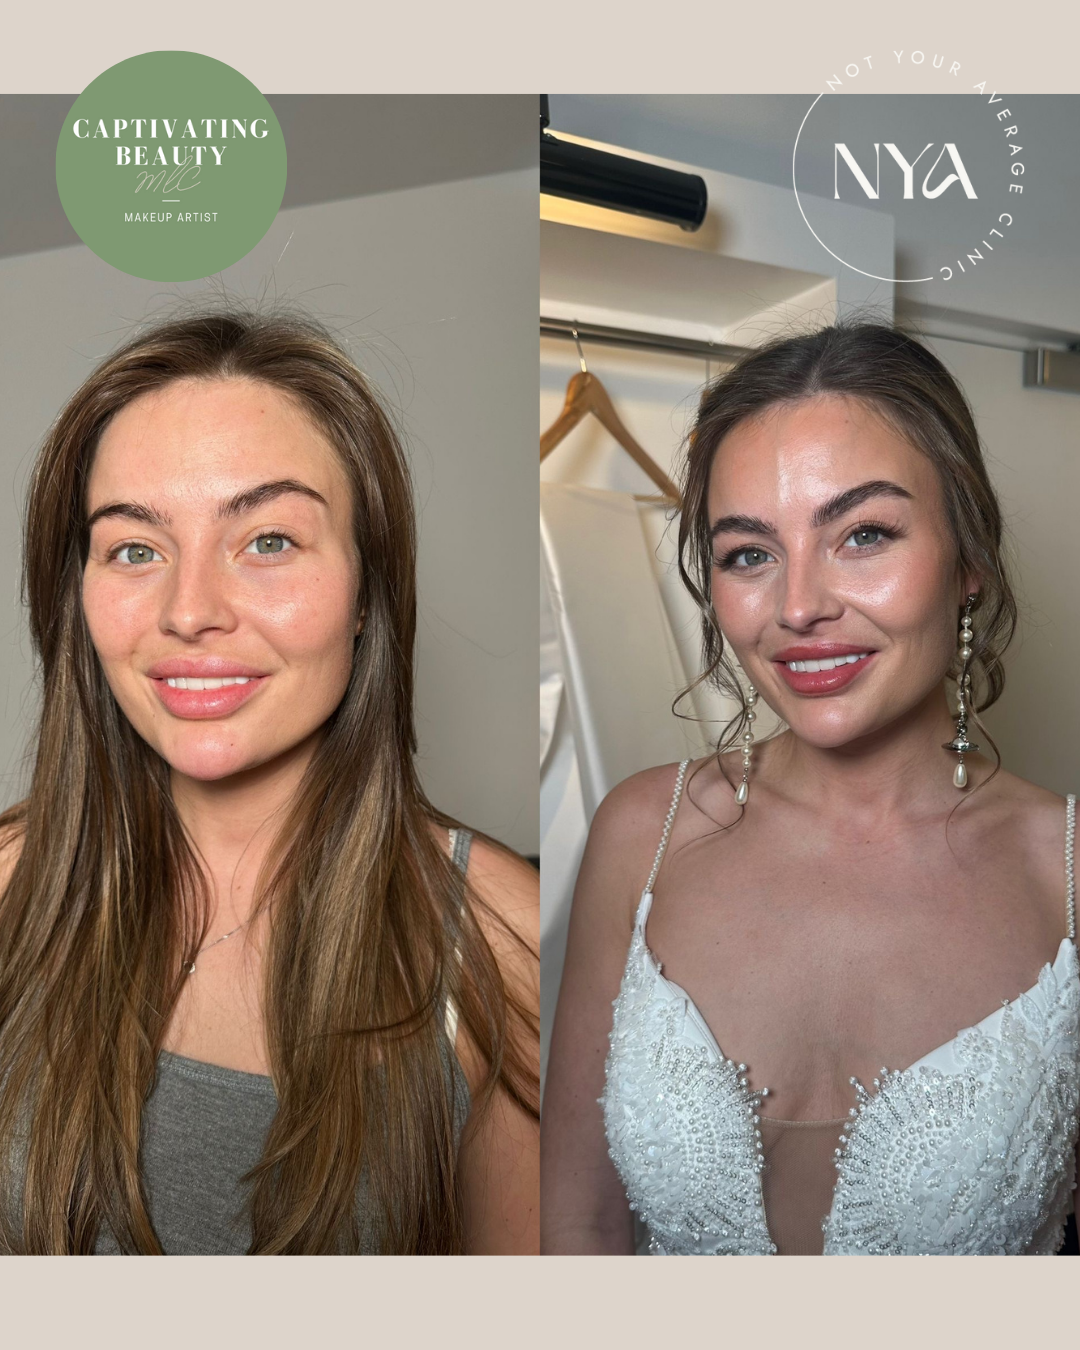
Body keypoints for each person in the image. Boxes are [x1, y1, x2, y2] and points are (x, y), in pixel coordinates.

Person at [0, 308, 539, 1255]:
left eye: (268, 541)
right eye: (134, 547)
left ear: (369, 591)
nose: (191, 611)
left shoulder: (504, 948)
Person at [541, 322, 1078, 1255]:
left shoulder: (1065, 870)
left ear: (969, 563)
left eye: (862, 534)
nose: (797, 608)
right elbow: (574, 1222)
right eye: (749, 553)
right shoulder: (645, 833)